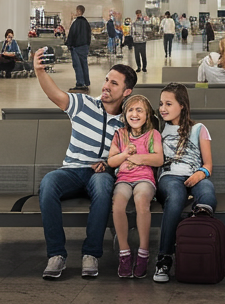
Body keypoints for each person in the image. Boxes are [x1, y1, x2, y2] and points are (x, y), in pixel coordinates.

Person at [37, 58, 137, 281]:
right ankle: (56, 255)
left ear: (126, 91)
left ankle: (91, 253)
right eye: (106, 80)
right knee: (48, 183)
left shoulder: (128, 121)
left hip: (100, 175)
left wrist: (111, 166)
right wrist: (39, 71)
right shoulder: (83, 105)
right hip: (72, 171)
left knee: (103, 187)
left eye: (114, 84)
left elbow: (134, 153)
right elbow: (55, 94)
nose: (106, 86)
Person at [154, 83, 216, 282]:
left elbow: (208, 165)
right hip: (169, 178)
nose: (163, 108)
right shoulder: (158, 133)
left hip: (194, 174)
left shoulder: (198, 129)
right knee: (176, 195)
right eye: (161, 103)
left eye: (168, 104)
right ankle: (164, 258)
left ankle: (198, 224)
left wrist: (201, 173)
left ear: (182, 105)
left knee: (207, 189)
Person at [106, 94, 163, 279]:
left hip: (144, 179)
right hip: (123, 179)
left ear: (147, 115)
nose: (135, 114)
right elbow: (112, 161)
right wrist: (125, 154)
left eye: (139, 110)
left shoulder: (153, 134)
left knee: (141, 200)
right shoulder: (120, 134)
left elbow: (158, 159)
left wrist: (138, 158)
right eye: (131, 110)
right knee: (118, 204)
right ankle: (124, 253)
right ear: (125, 115)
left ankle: (143, 253)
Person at [66, 5, 93, 91]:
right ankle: (86, 82)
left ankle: (80, 83)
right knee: (84, 64)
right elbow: (89, 35)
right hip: (85, 46)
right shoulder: (86, 23)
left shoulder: (76, 23)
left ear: (78, 11)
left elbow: (72, 34)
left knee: (77, 65)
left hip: (76, 47)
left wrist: (69, 45)